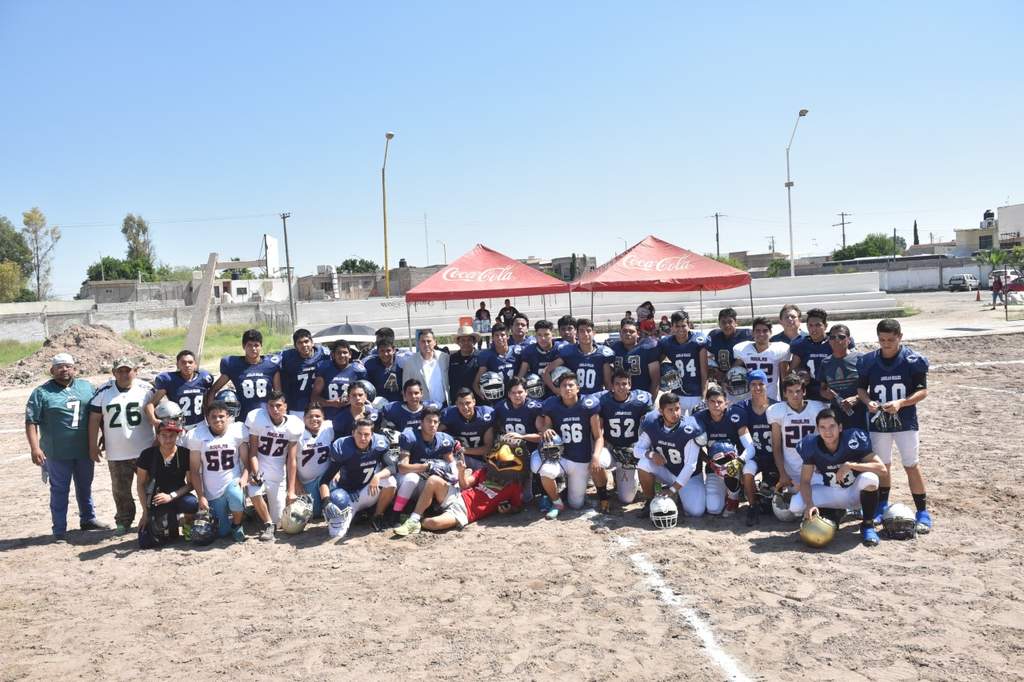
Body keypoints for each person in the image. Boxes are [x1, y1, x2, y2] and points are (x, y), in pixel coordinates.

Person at [856, 318, 932, 533]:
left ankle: (922, 511)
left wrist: (902, 403)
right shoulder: (869, 361)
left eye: (891, 339)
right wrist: (867, 401)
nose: (886, 344)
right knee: (883, 465)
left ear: (900, 337)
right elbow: (861, 389)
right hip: (878, 422)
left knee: (911, 464)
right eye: (882, 340)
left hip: (905, 421)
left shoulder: (912, 360)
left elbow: (922, 391)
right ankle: (881, 504)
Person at [26, 353, 111, 542]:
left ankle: (88, 519)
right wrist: (35, 448)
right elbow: (31, 421)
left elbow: (98, 413)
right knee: (59, 489)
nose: (64, 370)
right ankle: (59, 529)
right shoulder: (42, 392)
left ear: (75, 369)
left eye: (68, 366)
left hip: (84, 449)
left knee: (85, 486)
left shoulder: (87, 387)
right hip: (57, 451)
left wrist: (104, 435)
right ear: (52, 370)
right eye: (59, 367)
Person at [789, 409, 886, 547]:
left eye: (832, 426)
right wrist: (810, 504)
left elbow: (882, 469)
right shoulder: (811, 445)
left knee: (870, 479)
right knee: (795, 505)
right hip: (831, 492)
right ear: (818, 429)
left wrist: (851, 465)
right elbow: (805, 481)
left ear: (840, 427)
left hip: (854, 494)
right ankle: (832, 513)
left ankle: (867, 525)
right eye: (823, 427)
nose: (827, 431)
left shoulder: (853, 439)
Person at [393, 444, 524, 535]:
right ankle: (414, 519)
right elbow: (465, 485)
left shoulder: (513, 485)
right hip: (458, 495)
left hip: (465, 512)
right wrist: (461, 472)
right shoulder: (484, 471)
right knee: (433, 480)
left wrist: (509, 510)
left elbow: (517, 506)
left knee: (433, 524)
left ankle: (420, 519)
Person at [88, 357, 156, 534]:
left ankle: (153, 516)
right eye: (120, 371)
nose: (124, 374)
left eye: (128, 370)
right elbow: (94, 418)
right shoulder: (104, 391)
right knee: (120, 490)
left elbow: (160, 412)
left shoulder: (147, 389)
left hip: (145, 449)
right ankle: (124, 521)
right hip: (117, 451)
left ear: (136, 371)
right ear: (114, 372)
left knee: (151, 486)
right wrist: (93, 445)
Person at [536, 371, 611, 516]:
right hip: (562, 457)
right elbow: (547, 427)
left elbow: (598, 436)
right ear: (559, 389)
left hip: (582, 459)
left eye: (571, 385)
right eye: (564, 385)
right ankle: (557, 502)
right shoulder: (552, 404)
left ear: (578, 388)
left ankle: (603, 496)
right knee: (545, 470)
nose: (567, 388)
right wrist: (545, 430)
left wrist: (595, 456)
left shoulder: (588, 405)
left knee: (576, 504)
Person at [635, 393, 708, 518]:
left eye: (677, 409)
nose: (675, 413)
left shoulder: (688, 429)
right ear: (661, 411)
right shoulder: (652, 425)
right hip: (667, 471)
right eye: (670, 410)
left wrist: (672, 490)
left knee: (696, 511)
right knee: (643, 463)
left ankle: (678, 494)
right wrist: (651, 454)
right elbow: (637, 450)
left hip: (689, 477)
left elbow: (690, 466)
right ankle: (650, 501)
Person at [320, 420, 398, 537]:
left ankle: (377, 516)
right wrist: (326, 502)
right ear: (353, 433)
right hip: (348, 496)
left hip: (368, 490)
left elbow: (392, 467)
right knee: (336, 534)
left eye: (366, 434)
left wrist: (377, 476)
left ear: (372, 435)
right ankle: (356, 514)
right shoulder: (343, 447)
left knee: (390, 481)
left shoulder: (379, 444)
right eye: (359, 434)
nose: (363, 438)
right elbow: (324, 481)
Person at [244, 390, 304, 540]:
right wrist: (256, 473)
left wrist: (291, 490)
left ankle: (262, 512)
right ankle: (267, 524)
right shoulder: (257, 418)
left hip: (278, 474)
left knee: (280, 522)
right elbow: (252, 452)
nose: (275, 409)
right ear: (267, 407)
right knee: (254, 490)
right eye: (271, 406)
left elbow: (291, 459)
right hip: (260, 468)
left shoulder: (294, 424)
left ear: (285, 406)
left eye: (278, 405)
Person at [187, 399, 249, 542]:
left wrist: (244, 477)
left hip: (232, 481)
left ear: (228, 416)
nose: (218, 420)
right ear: (207, 419)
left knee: (236, 496)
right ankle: (231, 520)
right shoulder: (197, 435)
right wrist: (201, 496)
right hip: (212, 490)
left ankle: (237, 524)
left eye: (221, 416)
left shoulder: (237, 431)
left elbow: (247, 462)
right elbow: (194, 470)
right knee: (222, 532)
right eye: (213, 417)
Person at [690, 384, 757, 516]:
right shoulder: (699, 417)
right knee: (713, 508)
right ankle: (726, 491)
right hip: (713, 465)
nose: (716, 405)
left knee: (731, 463)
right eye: (712, 401)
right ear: (706, 403)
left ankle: (734, 497)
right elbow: (693, 447)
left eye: (719, 402)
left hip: (735, 464)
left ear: (726, 403)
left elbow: (750, 447)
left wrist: (739, 461)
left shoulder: (735, 414)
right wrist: (708, 461)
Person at [136, 419, 197, 545]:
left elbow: (190, 484)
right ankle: (172, 523)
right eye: (164, 435)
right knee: (146, 541)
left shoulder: (184, 453)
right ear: (158, 436)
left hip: (179, 494)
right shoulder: (147, 454)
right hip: (157, 499)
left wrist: (171, 496)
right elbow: (140, 484)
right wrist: (145, 513)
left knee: (191, 504)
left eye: (172, 435)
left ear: (177, 436)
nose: (168, 439)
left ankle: (188, 525)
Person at [598, 369, 653, 507]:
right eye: (617, 384)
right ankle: (603, 495)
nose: (621, 387)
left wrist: (639, 447)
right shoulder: (603, 400)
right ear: (612, 386)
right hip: (611, 448)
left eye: (624, 384)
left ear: (630, 385)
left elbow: (651, 424)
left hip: (631, 451)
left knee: (626, 499)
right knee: (597, 460)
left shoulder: (640, 399)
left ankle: (633, 477)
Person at [392, 405, 458, 515]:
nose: (432, 424)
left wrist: (455, 478)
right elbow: (402, 468)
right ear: (421, 422)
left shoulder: (444, 439)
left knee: (444, 479)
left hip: (426, 482)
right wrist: (427, 467)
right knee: (411, 478)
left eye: (435, 422)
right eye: (429, 421)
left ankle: (434, 508)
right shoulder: (410, 437)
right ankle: (396, 513)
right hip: (406, 479)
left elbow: (451, 463)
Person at [767, 374, 827, 493]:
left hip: (814, 470)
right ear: (784, 393)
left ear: (804, 392)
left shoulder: (817, 408)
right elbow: (776, 445)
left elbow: (826, 440)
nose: (794, 395)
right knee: (794, 502)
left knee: (819, 495)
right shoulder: (776, 410)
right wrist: (782, 473)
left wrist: (823, 464)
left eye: (798, 391)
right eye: (790, 391)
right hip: (791, 472)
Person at [208, 328, 282, 423]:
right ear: (243, 346)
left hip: (266, 416)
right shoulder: (233, 365)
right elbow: (213, 390)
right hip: (243, 418)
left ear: (261, 346)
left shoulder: (271, 365)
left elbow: (278, 394)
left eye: (256, 345)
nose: (253, 349)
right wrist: (210, 415)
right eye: (249, 345)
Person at [737, 370, 779, 526]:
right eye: (753, 384)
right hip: (754, 455)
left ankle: (763, 496)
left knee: (770, 506)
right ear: (749, 386)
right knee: (748, 470)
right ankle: (752, 505)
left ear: (766, 385)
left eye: (761, 384)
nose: (757, 388)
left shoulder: (776, 406)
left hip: (773, 456)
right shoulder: (743, 407)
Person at [543, 318, 614, 396]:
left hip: (595, 398)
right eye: (582, 331)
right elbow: (546, 372)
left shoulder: (603, 354)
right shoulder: (569, 352)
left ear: (593, 333)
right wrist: (555, 390)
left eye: (588, 331)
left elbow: (608, 384)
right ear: (577, 334)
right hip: (574, 399)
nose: (585, 334)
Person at [146, 349, 214, 430]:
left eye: (190, 362)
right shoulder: (169, 380)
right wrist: (154, 421)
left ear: (195, 364)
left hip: (200, 425)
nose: (187, 365)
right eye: (183, 362)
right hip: (178, 427)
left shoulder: (203, 378)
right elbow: (150, 405)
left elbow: (207, 402)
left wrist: (210, 420)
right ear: (177, 365)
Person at [657, 311, 709, 413]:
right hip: (677, 393)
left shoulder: (698, 341)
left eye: (683, 326)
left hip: (696, 393)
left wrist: (703, 398)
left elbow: (704, 372)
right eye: (677, 326)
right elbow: (656, 363)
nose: (681, 329)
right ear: (672, 327)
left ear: (689, 325)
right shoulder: (666, 343)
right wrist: (662, 376)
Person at [819, 324, 867, 430]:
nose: (836, 340)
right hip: (836, 415)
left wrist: (856, 398)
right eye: (832, 337)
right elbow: (822, 388)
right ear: (829, 341)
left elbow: (872, 386)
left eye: (841, 337)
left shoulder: (861, 359)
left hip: (860, 413)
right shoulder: (825, 362)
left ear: (849, 340)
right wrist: (826, 394)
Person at [732, 317, 792, 400]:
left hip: (771, 397)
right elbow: (734, 371)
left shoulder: (780, 350)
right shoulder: (742, 349)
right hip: (750, 397)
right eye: (758, 331)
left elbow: (785, 377)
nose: (761, 334)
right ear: (753, 333)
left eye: (765, 331)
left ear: (771, 333)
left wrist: (786, 399)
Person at [311, 339, 368, 420]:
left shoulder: (358, 370)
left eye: (345, 352)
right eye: (338, 353)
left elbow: (365, 396)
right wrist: (332, 403)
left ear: (350, 354)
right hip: (329, 417)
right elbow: (314, 398)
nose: (342, 355)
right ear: (333, 355)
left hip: (351, 417)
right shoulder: (325, 369)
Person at [278, 328, 330, 418]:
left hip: (319, 405)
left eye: (306, 341)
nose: (304, 345)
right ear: (295, 346)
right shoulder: (287, 357)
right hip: (297, 405)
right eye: (300, 343)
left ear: (312, 342)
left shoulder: (323, 354)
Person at [296, 402, 335, 518]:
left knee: (337, 500)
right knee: (314, 513)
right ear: (304, 418)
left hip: (327, 479)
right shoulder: (298, 433)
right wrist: (296, 483)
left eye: (318, 416)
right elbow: (289, 461)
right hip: (307, 482)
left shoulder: (329, 428)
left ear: (323, 417)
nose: (314, 419)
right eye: (310, 416)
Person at [441, 388, 495, 469]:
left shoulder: (485, 415)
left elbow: (487, 448)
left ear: (474, 402)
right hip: (458, 458)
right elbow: (436, 434)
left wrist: (462, 449)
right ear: (456, 404)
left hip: (481, 457)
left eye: (468, 403)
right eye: (461, 403)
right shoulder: (450, 414)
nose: (465, 407)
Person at [787, 308, 833, 402]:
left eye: (818, 325)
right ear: (807, 326)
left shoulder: (834, 341)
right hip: (809, 395)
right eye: (810, 325)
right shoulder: (800, 344)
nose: (814, 329)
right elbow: (792, 370)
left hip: (832, 393)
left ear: (825, 326)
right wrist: (800, 373)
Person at [609, 318, 660, 394]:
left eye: (631, 331)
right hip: (620, 396)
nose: (627, 334)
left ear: (638, 333)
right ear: (620, 333)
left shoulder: (647, 348)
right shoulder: (613, 349)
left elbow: (655, 380)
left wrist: (650, 399)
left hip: (642, 395)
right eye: (624, 331)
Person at [400, 329, 449, 406]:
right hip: (422, 407)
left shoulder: (444, 358)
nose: (426, 344)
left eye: (429, 341)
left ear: (435, 342)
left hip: (444, 405)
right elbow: (405, 387)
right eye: (423, 341)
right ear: (418, 343)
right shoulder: (410, 362)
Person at [474, 323, 521, 401]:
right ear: (492, 338)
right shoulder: (487, 355)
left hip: (515, 395)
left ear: (508, 336)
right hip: (496, 397)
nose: (500, 338)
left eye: (502, 335)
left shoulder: (517, 351)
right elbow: (476, 383)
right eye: (496, 335)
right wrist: (483, 396)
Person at [706, 308, 752, 383]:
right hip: (719, 377)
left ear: (736, 322)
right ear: (719, 324)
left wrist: (728, 374)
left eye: (730, 322)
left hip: (740, 377)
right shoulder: (714, 335)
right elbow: (706, 355)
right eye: (723, 322)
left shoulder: (746, 335)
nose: (727, 325)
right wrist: (715, 370)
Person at [518, 320, 559, 397]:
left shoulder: (560, 348)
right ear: (535, 335)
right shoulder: (529, 351)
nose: (543, 338)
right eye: (539, 335)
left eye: (546, 334)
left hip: (557, 389)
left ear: (553, 334)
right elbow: (522, 373)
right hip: (536, 390)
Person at [448, 325, 481, 404]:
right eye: (463, 340)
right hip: (457, 404)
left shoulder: (481, 357)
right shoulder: (451, 359)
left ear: (474, 342)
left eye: (469, 340)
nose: (466, 343)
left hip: (478, 402)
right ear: (458, 342)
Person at [363, 338, 403, 403]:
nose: (385, 354)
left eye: (388, 350)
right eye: (382, 351)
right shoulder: (370, 364)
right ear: (377, 351)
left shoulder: (402, 363)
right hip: (377, 404)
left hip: (398, 404)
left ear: (394, 350)